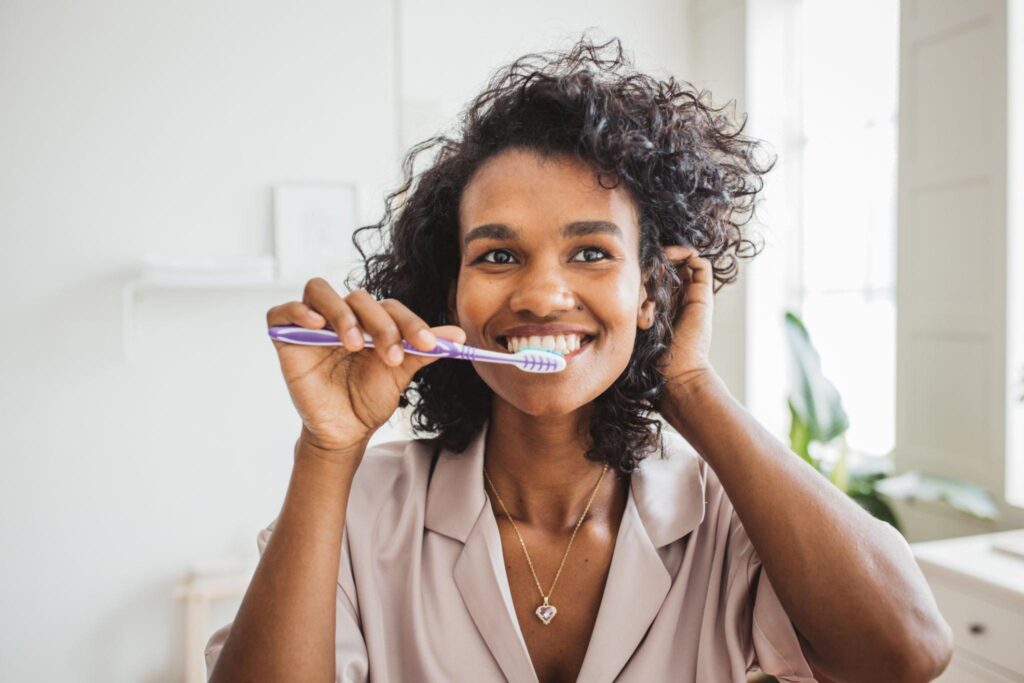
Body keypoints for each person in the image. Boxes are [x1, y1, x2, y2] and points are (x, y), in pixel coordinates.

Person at [205, 35, 953, 683]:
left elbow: (906, 653)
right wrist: (327, 449)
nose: (541, 293)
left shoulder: (723, 514)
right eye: (498, 254)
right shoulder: (366, 507)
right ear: (451, 297)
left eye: (590, 251)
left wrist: (688, 386)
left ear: (650, 293)